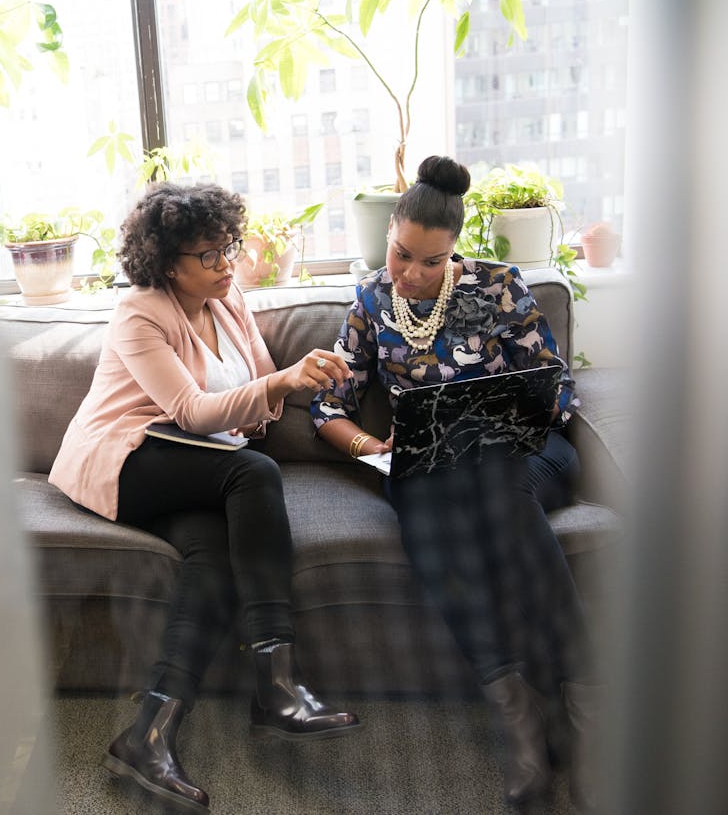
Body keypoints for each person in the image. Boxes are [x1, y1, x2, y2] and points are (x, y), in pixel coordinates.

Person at [49, 182, 361, 813]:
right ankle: (277, 684)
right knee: (254, 474)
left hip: (193, 464)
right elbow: (191, 411)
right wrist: (279, 384)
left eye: (229, 247)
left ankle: (149, 733)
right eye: (209, 255)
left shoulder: (227, 299)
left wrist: (307, 380)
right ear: (168, 263)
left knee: (213, 556)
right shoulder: (140, 313)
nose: (226, 264)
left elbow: (261, 388)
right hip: (125, 454)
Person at [310, 156, 600, 810]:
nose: (411, 273)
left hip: (526, 457)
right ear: (389, 234)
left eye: (430, 261)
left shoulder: (499, 286)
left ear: (454, 252)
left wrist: (508, 412)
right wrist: (371, 446)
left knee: (498, 486)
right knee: (419, 502)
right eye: (401, 254)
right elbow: (328, 406)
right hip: (430, 472)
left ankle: (587, 713)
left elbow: (558, 389)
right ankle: (519, 718)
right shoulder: (371, 301)